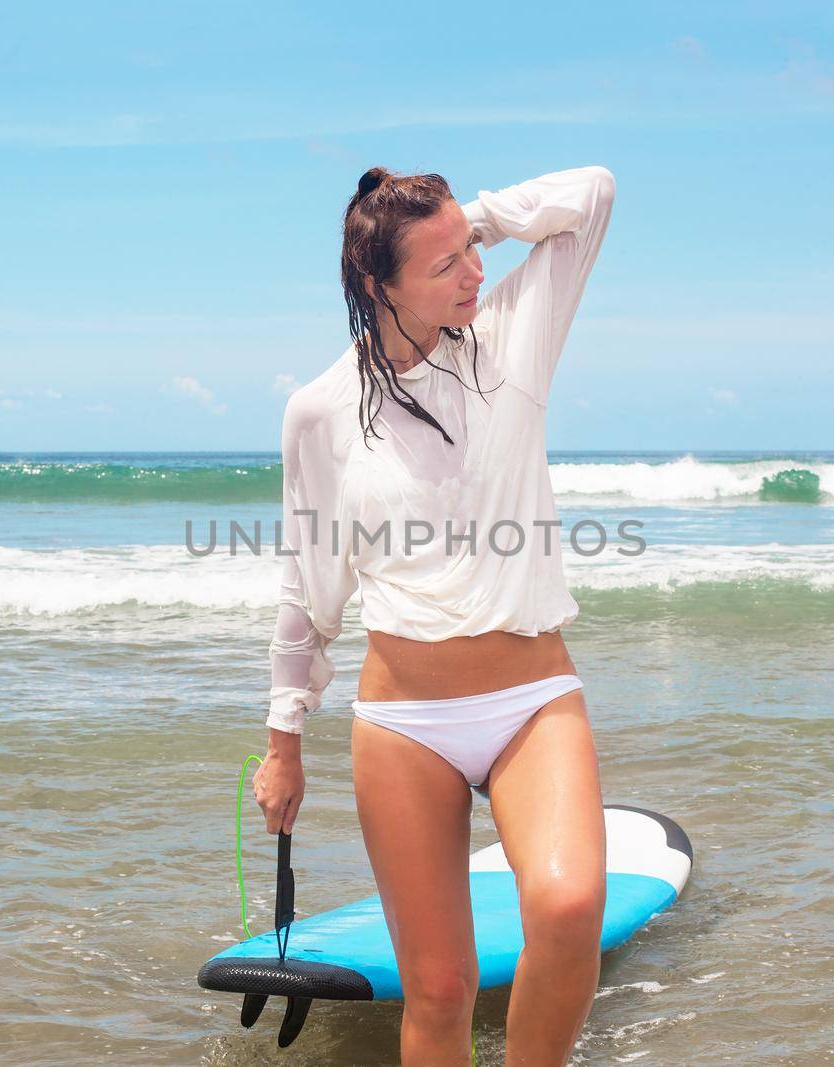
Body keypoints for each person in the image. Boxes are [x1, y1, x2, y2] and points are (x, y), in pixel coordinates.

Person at [253, 163, 617, 1066]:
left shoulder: (509, 340)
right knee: (441, 988)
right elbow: (307, 586)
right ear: (378, 285)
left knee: (570, 911)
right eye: (443, 264)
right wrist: (283, 736)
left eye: (472, 252)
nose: (473, 274)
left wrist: (478, 221)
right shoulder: (321, 412)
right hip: (404, 720)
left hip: (533, 696)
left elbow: (595, 194)